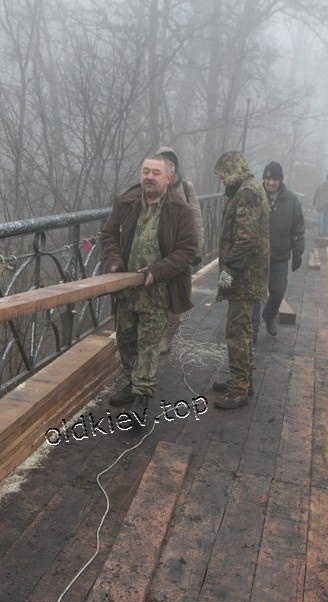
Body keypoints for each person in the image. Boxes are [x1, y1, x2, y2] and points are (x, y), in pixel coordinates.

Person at [101, 154, 198, 422]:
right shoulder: (126, 202)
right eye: (145, 171)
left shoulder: (180, 210)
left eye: (156, 173)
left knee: (148, 342)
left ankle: (142, 396)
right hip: (126, 289)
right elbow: (108, 235)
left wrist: (157, 271)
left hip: (158, 292)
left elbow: (187, 250)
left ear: (170, 177)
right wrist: (114, 262)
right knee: (126, 339)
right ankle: (132, 384)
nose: (149, 177)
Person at [212, 151, 269, 410]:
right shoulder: (247, 190)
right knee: (243, 330)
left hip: (245, 277)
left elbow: (246, 237)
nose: (222, 180)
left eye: (223, 174)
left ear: (234, 171)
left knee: (237, 332)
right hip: (249, 276)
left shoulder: (246, 193)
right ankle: (243, 381)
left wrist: (230, 269)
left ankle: (238, 389)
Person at [155, 146, 203, 356]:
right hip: (158, 251)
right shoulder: (153, 186)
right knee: (158, 294)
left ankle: (168, 335)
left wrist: (198, 248)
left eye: (171, 163)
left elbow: (197, 219)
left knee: (178, 294)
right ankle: (156, 333)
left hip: (181, 250)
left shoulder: (185, 186)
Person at [252, 161, 304, 337]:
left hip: (280, 255)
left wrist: (298, 253)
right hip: (257, 255)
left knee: (278, 292)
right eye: (267, 178)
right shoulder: (255, 196)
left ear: (280, 180)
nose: (270, 182)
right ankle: (253, 329)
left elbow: (298, 229)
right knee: (254, 293)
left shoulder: (291, 200)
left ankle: (269, 315)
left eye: (274, 179)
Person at [313, 172, 328, 238]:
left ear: (326, 177)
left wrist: (314, 201)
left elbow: (316, 192)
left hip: (321, 203)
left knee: (321, 216)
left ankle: (320, 231)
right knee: (326, 218)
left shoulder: (322, 184)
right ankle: (324, 231)